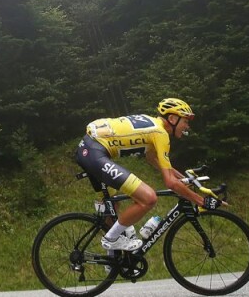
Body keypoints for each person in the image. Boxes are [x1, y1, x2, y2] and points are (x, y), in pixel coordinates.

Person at [75, 98, 223, 251]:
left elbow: (153, 159)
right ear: (172, 118)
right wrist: (201, 201)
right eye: (185, 121)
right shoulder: (160, 133)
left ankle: (113, 259)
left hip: (89, 149)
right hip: (95, 153)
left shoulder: (153, 124)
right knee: (148, 198)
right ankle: (110, 239)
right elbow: (170, 183)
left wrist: (183, 179)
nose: (187, 126)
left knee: (112, 207)